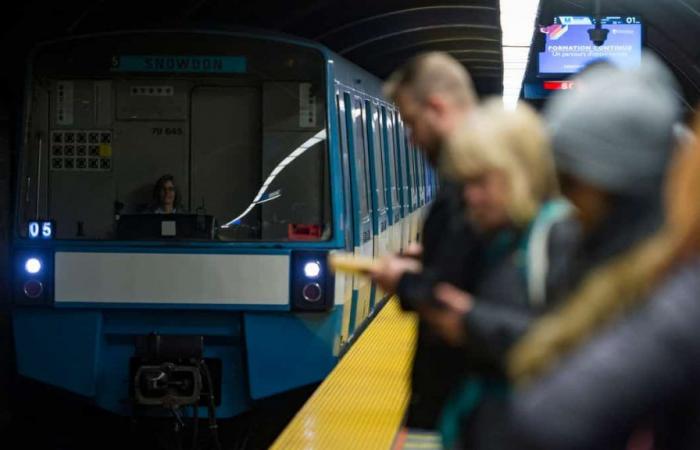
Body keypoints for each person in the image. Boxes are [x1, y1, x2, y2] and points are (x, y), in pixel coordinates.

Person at [504, 54, 699, 450]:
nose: (570, 208)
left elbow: (551, 418)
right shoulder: (627, 271)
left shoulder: (674, 297)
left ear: (616, 191)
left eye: (574, 185)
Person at [419, 100, 577, 449]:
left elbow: (572, 347)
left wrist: (470, 322)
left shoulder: (559, 237)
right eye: (465, 183)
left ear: (518, 173)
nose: (469, 196)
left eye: (480, 182)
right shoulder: (501, 239)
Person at [371, 52, 480, 428]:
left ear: (436, 107)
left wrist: (403, 281)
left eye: (411, 123)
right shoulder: (468, 175)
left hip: (462, 403)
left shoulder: (475, 180)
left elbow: (461, 297)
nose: (413, 140)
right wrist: (430, 256)